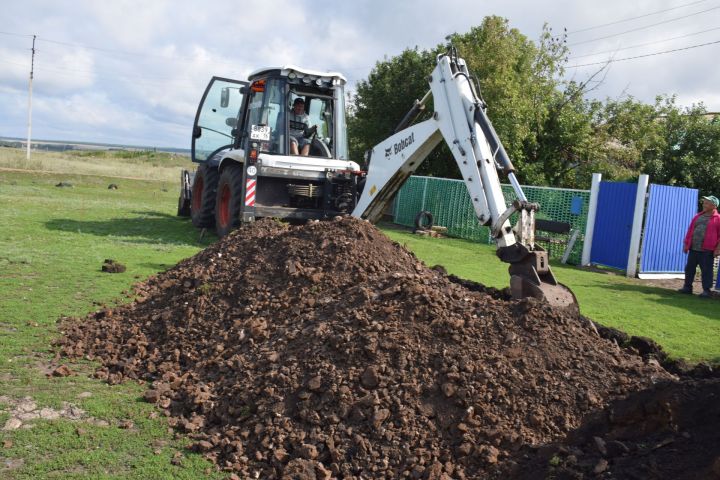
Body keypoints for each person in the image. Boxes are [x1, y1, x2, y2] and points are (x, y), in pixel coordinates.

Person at [678, 195, 720, 298]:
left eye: (706, 203)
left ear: (713, 205)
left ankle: (706, 291)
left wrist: (718, 249)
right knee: (689, 269)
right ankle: (687, 287)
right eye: (704, 202)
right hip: (693, 248)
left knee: (706, 271)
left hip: (707, 250)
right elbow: (690, 230)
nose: (704, 204)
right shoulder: (698, 216)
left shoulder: (718, 219)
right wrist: (686, 243)